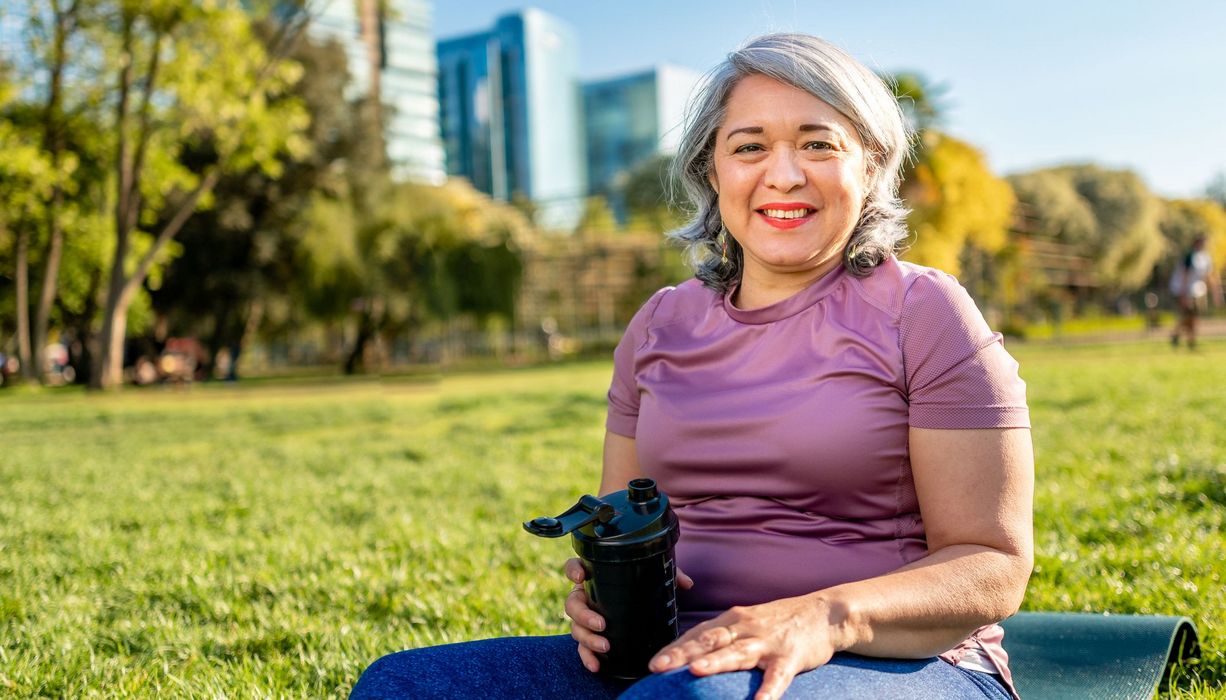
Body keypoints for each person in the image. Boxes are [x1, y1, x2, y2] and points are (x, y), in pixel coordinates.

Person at [350, 33, 1032, 700]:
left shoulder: (925, 311)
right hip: (672, 658)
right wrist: (603, 590)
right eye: (750, 147)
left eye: (819, 144)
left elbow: (992, 566)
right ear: (713, 171)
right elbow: (624, 517)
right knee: (402, 686)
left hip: (901, 662)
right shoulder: (660, 325)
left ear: (871, 162)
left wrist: (822, 616)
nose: (784, 174)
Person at [1169, 235, 1222, 349]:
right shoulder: (1190, 256)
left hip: (1197, 290)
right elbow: (1184, 276)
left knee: (1193, 316)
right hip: (1185, 289)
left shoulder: (1206, 257)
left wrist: (1216, 293)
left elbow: (1209, 276)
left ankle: (1177, 335)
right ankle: (1189, 341)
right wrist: (1183, 294)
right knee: (1189, 316)